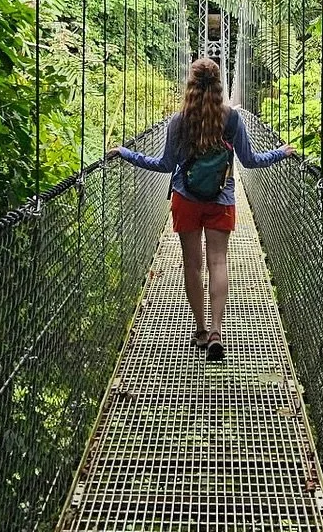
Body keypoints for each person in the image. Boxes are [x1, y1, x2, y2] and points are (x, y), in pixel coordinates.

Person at [115, 58, 293, 363]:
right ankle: (215, 332)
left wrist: (126, 153)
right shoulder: (232, 119)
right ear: (220, 84)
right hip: (221, 199)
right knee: (218, 263)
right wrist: (280, 152)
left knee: (192, 265)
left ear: (191, 83)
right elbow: (250, 161)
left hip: (186, 199)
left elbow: (165, 165)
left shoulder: (179, 121)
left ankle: (199, 329)